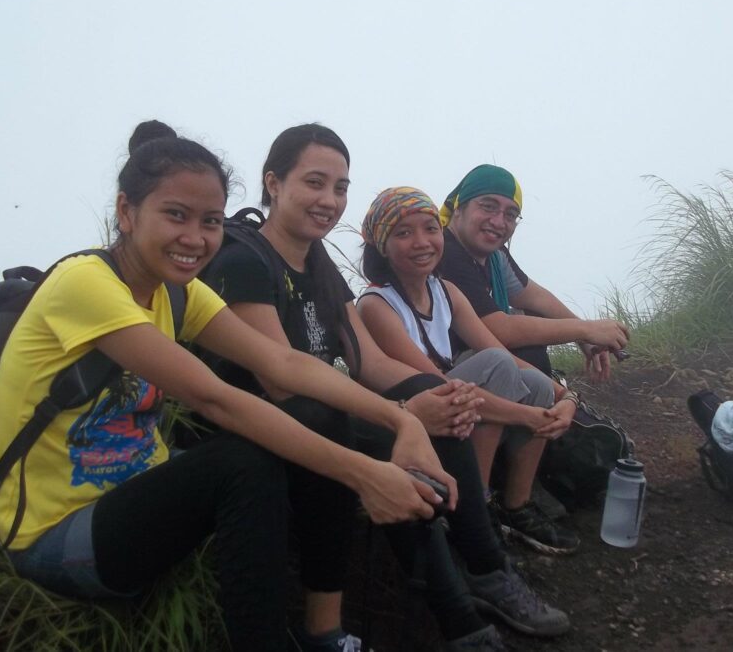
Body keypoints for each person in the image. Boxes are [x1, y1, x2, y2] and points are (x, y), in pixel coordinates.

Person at [0, 120, 456, 652]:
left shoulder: (179, 294)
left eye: (210, 221)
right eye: (176, 215)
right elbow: (217, 399)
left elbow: (284, 363)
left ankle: (322, 636)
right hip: (54, 537)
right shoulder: (84, 283)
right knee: (244, 460)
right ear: (126, 212)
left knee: (273, 446)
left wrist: (400, 420)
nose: (196, 238)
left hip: (137, 503)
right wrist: (367, 474)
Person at [202, 124, 572, 650]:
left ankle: (486, 570)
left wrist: (434, 397)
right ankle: (459, 616)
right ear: (274, 183)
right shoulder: (247, 262)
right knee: (397, 436)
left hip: (333, 408)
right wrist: (400, 415)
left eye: (340, 187)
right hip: (278, 425)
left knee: (437, 397)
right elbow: (280, 381)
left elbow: (370, 363)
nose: (329, 200)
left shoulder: (320, 262)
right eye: (315, 182)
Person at [357, 186, 581, 555]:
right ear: (382, 244)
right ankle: (474, 509)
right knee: (496, 367)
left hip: (455, 404)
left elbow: (496, 346)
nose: (422, 242)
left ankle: (516, 506)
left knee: (534, 382)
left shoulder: (444, 290)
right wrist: (529, 416)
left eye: (430, 228)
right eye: (403, 232)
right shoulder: (376, 305)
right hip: (413, 415)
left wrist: (562, 396)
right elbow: (437, 385)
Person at [437, 164, 630, 380]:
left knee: (535, 321)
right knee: (526, 352)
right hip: (437, 370)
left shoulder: (494, 256)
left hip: (469, 360)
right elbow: (499, 330)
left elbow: (535, 297)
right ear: (458, 209)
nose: (499, 222)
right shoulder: (446, 251)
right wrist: (585, 329)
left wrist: (586, 340)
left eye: (511, 214)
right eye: (488, 207)